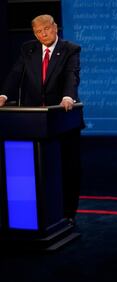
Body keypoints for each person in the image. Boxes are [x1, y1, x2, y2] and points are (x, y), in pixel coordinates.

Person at [0, 14, 83, 223]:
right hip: (32, 121)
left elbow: (72, 75)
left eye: (46, 29)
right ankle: (38, 214)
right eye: (37, 31)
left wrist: (68, 96)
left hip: (62, 118)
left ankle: (68, 214)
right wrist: (3, 95)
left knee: (67, 167)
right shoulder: (28, 49)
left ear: (55, 27)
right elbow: (15, 73)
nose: (42, 34)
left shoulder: (70, 49)